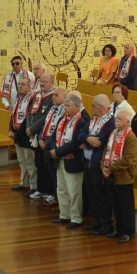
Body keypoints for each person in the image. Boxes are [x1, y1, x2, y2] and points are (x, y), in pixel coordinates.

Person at [48, 94, 88, 229]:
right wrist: (53, 149)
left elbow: (75, 143)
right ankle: (64, 214)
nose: (65, 108)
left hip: (73, 161)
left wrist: (58, 151)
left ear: (76, 107)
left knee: (74, 191)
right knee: (61, 189)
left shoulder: (81, 122)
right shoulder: (62, 119)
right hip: (60, 160)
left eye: (68, 106)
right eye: (64, 105)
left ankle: (76, 217)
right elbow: (54, 136)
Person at [78, 94, 115, 234]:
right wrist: (88, 139)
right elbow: (80, 134)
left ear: (101, 107)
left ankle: (106, 223)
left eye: (93, 106)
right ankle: (97, 221)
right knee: (91, 192)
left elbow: (100, 141)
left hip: (98, 164)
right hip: (88, 162)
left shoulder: (110, 122)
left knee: (102, 194)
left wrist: (86, 142)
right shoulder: (93, 119)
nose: (91, 108)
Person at [100, 109, 137, 244]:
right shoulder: (113, 133)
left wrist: (109, 169)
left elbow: (127, 160)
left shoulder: (130, 137)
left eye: (120, 119)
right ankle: (119, 229)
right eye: (116, 118)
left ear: (127, 122)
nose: (116, 121)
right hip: (112, 175)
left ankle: (128, 231)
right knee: (115, 204)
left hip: (125, 176)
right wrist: (103, 166)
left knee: (126, 206)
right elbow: (106, 151)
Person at [26, 73, 55, 199]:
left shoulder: (52, 97)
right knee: (38, 163)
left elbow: (46, 117)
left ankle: (49, 191)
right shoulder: (37, 95)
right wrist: (28, 127)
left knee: (46, 165)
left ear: (52, 83)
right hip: (34, 135)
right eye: (41, 81)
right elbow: (29, 112)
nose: (42, 84)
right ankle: (41, 189)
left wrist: (32, 129)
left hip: (43, 134)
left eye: (45, 81)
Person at [38, 88, 67, 206]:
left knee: (55, 173)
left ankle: (56, 196)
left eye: (56, 95)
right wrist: (40, 138)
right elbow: (45, 125)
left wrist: (48, 142)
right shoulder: (52, 108)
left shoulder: (65, 111)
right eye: (53, 95)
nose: (53, 97)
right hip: (45, 143)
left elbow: (58, 131)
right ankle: (50, 193)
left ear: (64, 97)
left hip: (53, 145)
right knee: (48, 170)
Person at [8, 77, 37, 195]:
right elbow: (14, 115)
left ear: (29, 86)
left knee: (30, 162)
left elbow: (28, 119)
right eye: (19, 84)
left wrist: (16, 133)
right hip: (17, 134)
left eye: (23, 84)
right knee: (22, 161)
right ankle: (24, 182)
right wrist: (10, 129)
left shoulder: (32, 98)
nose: (20, 86)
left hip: (25, 134)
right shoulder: (19, 97)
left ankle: (33, 185)